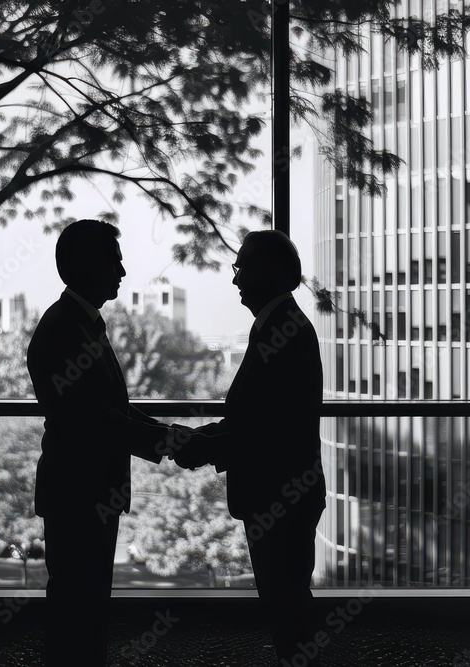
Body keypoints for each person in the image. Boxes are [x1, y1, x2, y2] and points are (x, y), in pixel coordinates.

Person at [27, 219, 185, 665]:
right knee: (79, 611)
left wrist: (166, 437)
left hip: (85, 491)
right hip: (79, 493)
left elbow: (111, 410)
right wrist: (171, 442)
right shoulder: (65, 329)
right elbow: (95, 420)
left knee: (84, 608)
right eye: (113, 260)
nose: (122, 270)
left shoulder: (80, 324)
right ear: (83, 265)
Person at [172, 229, 326, 666]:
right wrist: (203, 441)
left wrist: (199, 445)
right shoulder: (280, 328)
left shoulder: (283, 333)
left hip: (280, 496)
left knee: (287, 610)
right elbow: (256, 423)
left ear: (272, 272)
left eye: (243, 267)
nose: (236, 279)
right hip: (283, 494)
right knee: (288, 606)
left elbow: (265, 431)